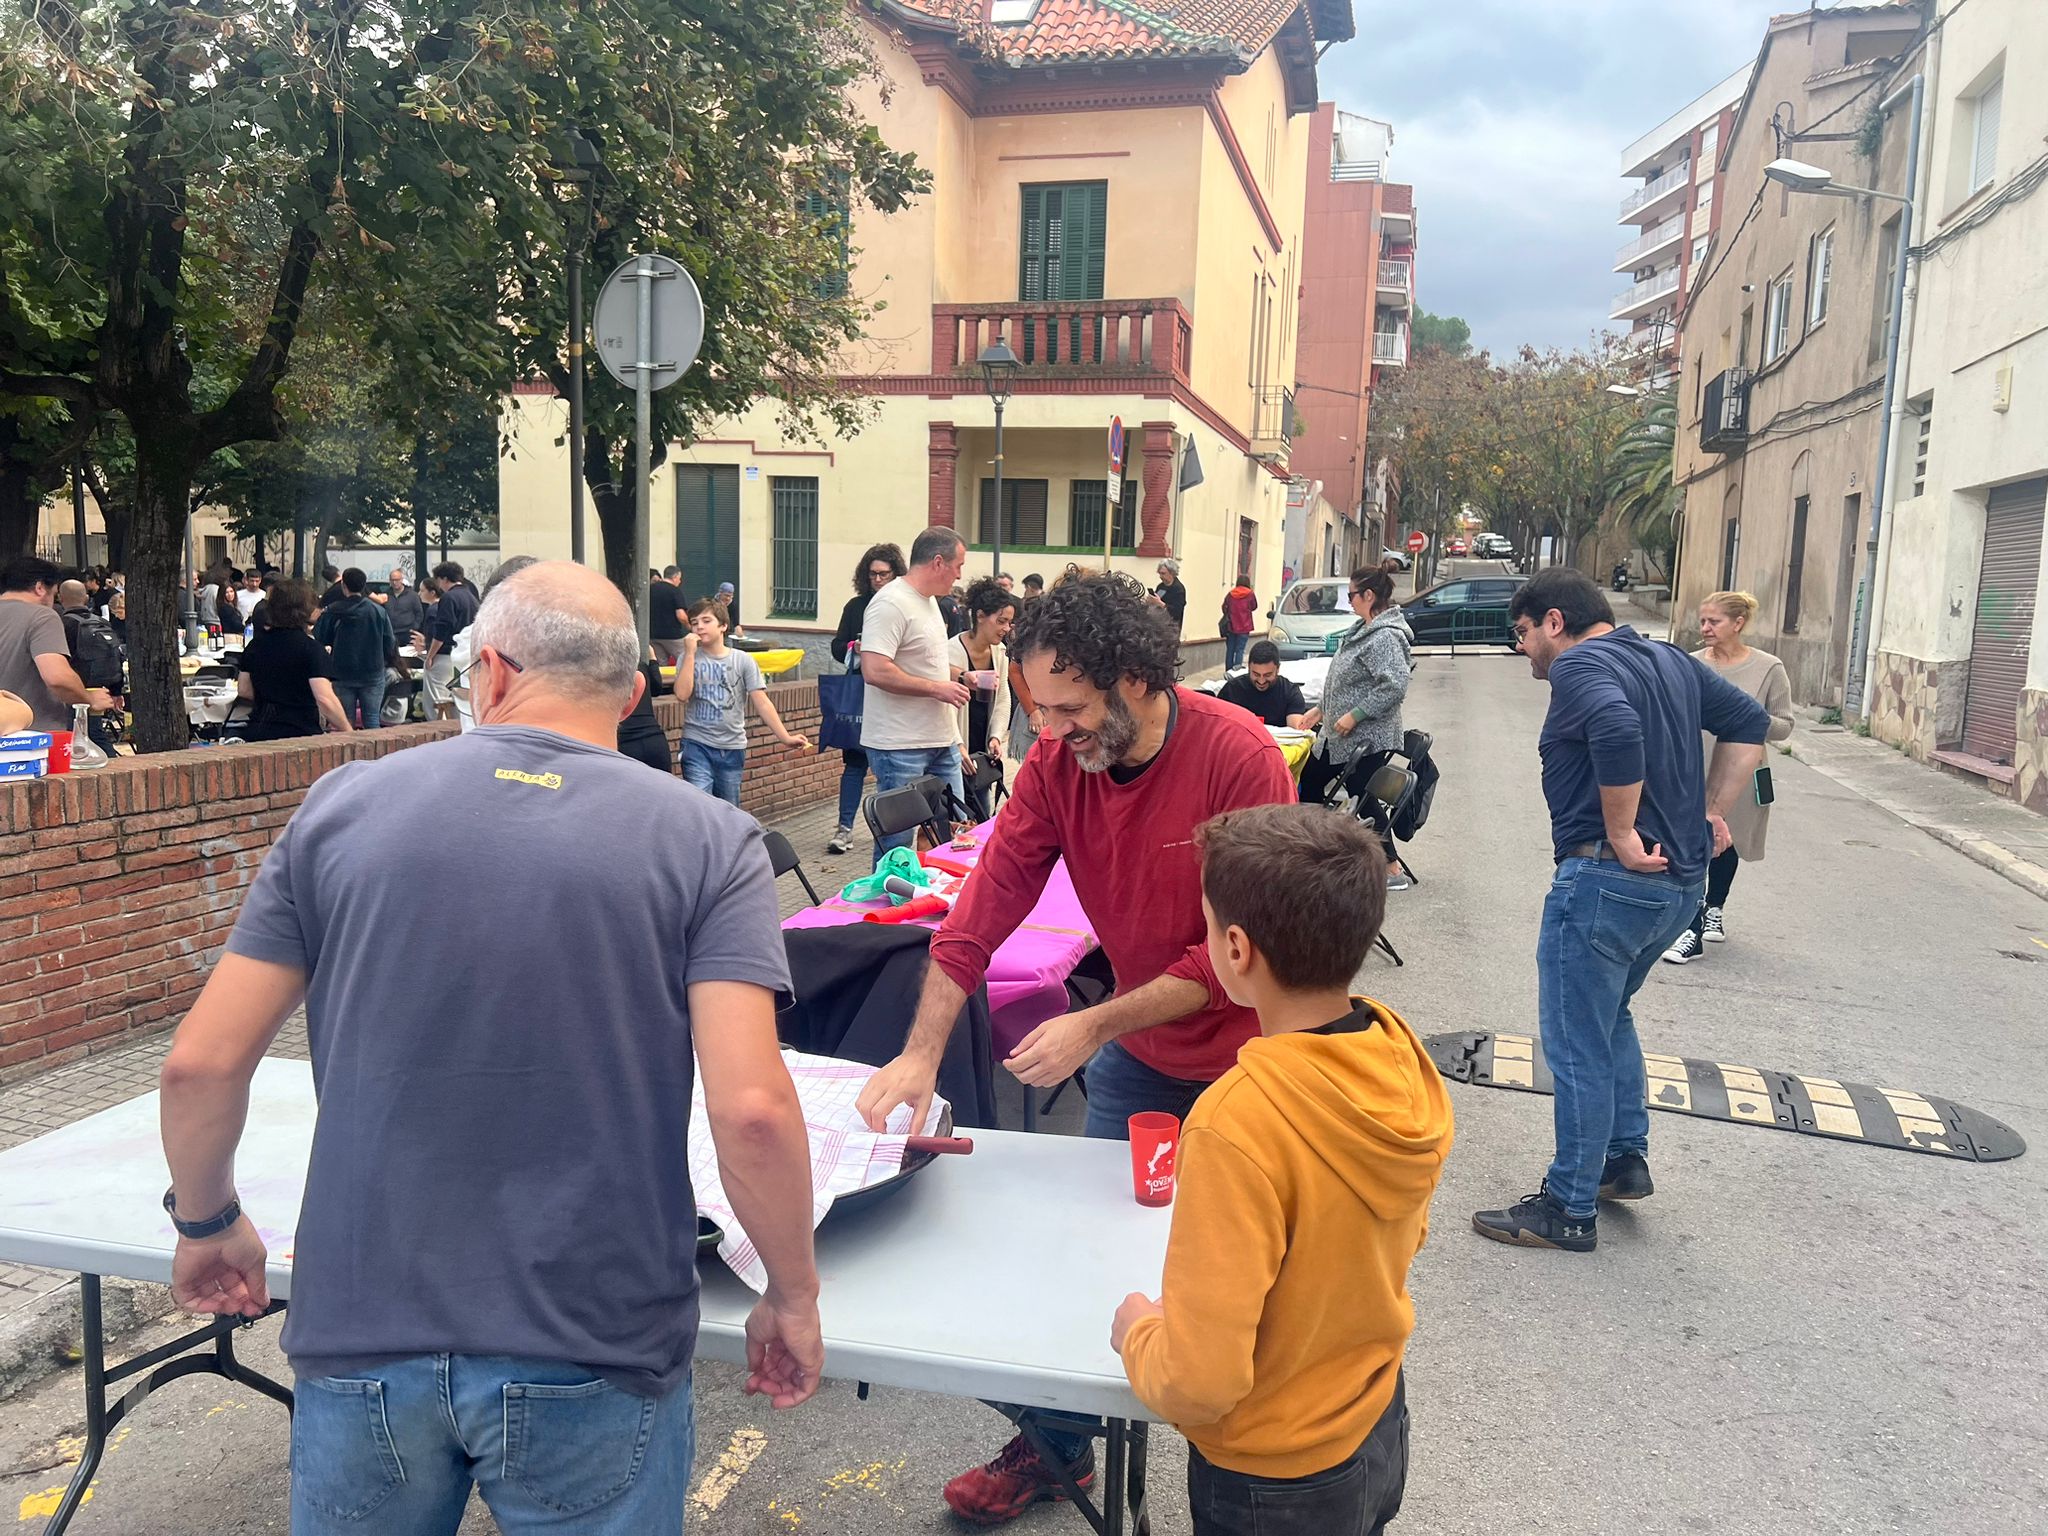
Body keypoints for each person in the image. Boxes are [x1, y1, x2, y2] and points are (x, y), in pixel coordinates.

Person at [157, 561, 823, 1535]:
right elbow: (751, 1109)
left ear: (492, 672)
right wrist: (790, 1291)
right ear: (634, 693)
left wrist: (207, 1219)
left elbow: (199, 1064)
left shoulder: (338, 810)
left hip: (364, 1332)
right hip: (594, 1337)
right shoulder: (708, 841)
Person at [855, 572, 1297, 1523]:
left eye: (1070, 708)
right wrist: (921, 1054)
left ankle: (1263, 1469)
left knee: (1252, 1279)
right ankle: (1059, 1452)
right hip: (1142, 1065)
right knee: (1098, 1263)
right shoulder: (1058, 768)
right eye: (1037, 711)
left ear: (1138, 677)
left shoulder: (1240, 759)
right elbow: (981, 910)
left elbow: (1238, 956)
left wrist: (1093, 1023)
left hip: (1254, 1069)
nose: (1051, 733)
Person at [1114, 803, 1451, 1536]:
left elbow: (1201, 1380)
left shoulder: (1238, 1119)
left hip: (1273, 1474)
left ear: (1237, 949)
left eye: (1206, 927)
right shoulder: (1398, 1059)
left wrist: (1138, 1334)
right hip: (1375, 1417)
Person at [1472, 568, 1769, 1253]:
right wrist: (1709, 812)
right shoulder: (1670, 660)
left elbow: (1613, 724)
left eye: (1521, 633)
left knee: (1576, 1039)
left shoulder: (1580, 665)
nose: (1523, 650)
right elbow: (1749, 722)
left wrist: (1621, 831)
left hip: (1608, 881)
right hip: (1676, 889)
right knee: (1609, 1020)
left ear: (1553, 620)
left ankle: (1568, 1207)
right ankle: (1621, 1161)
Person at [1662, 590, 1795, 964]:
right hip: (1693, 765)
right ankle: (1692, 923)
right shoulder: (1689, 664)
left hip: (1743, 769)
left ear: (1738, 624)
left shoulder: (1769, 668)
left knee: (1726, 842)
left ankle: (1713, 907)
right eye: (1702, 621)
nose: (1705, 628)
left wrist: (1745, 718)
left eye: (1714, 621)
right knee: (1691, 844)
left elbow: (1785, 725)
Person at [1296, 568, 1415, 889]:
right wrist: (1320, 710)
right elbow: (1343, 681)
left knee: (1364, 792)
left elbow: (1394, 685)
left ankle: (1391, 869)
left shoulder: (1386, 636)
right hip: (1341, 734)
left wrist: (1355, 715)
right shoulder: (1364, 629)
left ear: (1369, 596)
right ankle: (1313, 850)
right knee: (1310, 781)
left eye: (1351, 595)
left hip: (1366, 737)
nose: (1348, 601)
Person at [858, 526, 971, 864]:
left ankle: (938, 908)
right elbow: (875, 670)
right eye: (958, 565)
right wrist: (938, 689)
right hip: (899, 744)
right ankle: (887, 910)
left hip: (941, 738)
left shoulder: (930, 602)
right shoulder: (891, 603)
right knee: (897, 848)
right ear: (938, 562)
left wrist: (963, 677)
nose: (960, 574)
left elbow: (922, 666)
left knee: (954, 834)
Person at [675, 598, 808, 805]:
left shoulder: (742, 660)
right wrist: (690, 653)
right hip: (696, 744)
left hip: (732, 747)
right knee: (699, 807)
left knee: (729, 811)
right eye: (694, 622)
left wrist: (785, 737)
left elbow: (762, 702)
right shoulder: (688, 657)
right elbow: (682, 695)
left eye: (706, 620)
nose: (699, 626)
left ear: (723, 626)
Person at [826, 544, 905, 855]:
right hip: (859, 694)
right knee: (854, 762)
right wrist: (854, 647)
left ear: (896, 574)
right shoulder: (856, 606)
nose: (878, 580)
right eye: (872, 574)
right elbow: (835, 646)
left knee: (891, 766)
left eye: (884, 574)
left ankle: (890, 831)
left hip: (893, 695)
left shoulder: (903, 606)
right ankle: (844, 828)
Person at [1, 558, 115, 733]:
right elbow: (57, 677)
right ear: (40, 588)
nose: (54, 603)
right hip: (33, 739)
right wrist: (89, 699)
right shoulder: (42, 616)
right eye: (53, 595)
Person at [237, 579, 352, 739]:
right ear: (304, 609)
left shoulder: (255, 646)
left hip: (260, 730)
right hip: (300, 732)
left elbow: (244, 690)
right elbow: (324, 699)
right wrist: (347, 730)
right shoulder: (311, 649)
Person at [950, 576, 1018, 821]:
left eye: (1009, 622)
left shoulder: (999, 652)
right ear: (980, 616)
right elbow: (944, 707)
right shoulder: (952, 650)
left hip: (982, 751)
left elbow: (1003, 698)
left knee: (981, 817)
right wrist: (957, 745)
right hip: (955, 747)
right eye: (1001, 621)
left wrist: (997, 736)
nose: (1006, 628)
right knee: (955, 820)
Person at [313, 568, 399, 730]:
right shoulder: (378, 611)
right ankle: (376, 754)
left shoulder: (333, 610)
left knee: (345, 721)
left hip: (342, 672)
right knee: (372, 719)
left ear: (343, 586)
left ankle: (348, 755)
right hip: (373, 671)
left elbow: (320, 636)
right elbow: (389, 641)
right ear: (363, 586)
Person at [56, 579, 125, 753]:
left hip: (74, 687)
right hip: (100, 688)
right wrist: (116, 690)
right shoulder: (102, 622)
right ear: (86, 598)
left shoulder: (61, 625)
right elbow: (115, 655)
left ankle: (109, 765)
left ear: (60, 598)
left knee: (79, 733)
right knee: (94, 732)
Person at [420, 561, 478, 720]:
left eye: (438, 580)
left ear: (444, 579)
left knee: (436, 700)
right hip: (466, 656)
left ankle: (438, 734)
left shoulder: (449, 598)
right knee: (459, 700)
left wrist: (430, 655)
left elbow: (442, 629)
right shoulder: (471, 597)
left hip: (445, 654)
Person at [1215, 639, 1309, 729]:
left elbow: (1295, 730)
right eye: (1256, 674)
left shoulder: (1290, 692)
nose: (1261, 681)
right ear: (1248, 667)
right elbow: (1217, 724)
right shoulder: (1231, 690)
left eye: (1267, 675)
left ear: (1278, 669)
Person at [649, 565, 688, 661]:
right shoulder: (675, 591)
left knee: (660, 665)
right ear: (675, 577)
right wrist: (689, 625)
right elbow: (681, 615)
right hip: (673, 635)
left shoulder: (650, 589)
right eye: (679, 578)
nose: (680, 581)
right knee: (684, 661)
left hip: (654, 635)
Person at [1220, 576, 1258, 671]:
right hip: (1245, 626)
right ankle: (1237, 671)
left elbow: (1224, 607)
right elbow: (1254, 606)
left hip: (1231, 626)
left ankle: (1228, 670)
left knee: (1230, 650)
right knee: (1240, 650)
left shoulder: (1231, 594)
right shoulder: (1250, 594)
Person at [381, 566, 424, 641]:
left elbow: (419, 613)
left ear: (402, 580)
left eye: (397, 580)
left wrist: (414, 627)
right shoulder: (385, 595)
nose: (394, 583)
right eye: (392, 580)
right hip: (390, 632)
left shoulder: (412, 595)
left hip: (407, 633)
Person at [1154, 558, 1187, 631]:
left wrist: (1160, 604)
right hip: (1157, 625)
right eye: (1159, 573)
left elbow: (1176, 612)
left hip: (1171, 628)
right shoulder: (1161, 586)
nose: (1160, 576)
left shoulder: (1178, 589)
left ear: (1172, 573)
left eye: (1163, 573)